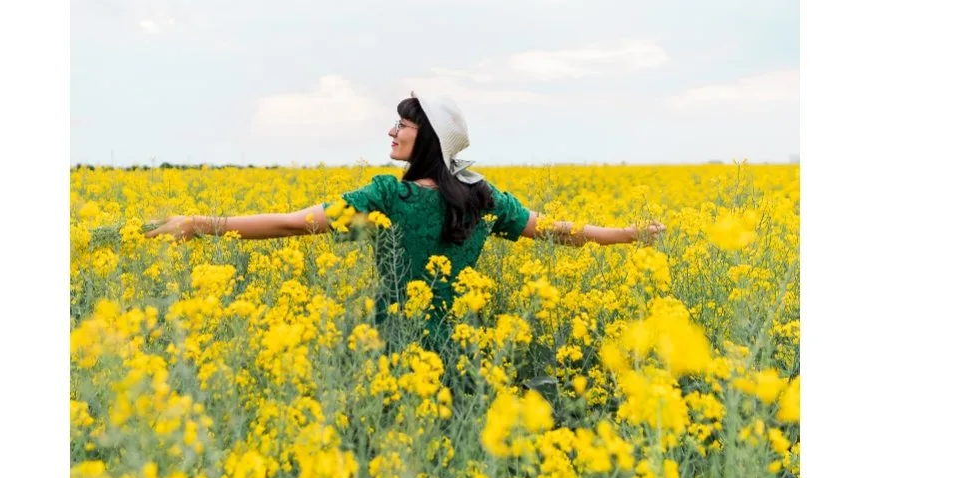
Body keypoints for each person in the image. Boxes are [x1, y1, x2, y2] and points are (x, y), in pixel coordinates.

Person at [146, 92, 663, 357]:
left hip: (391, 346)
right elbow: (558, 231)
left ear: (429, 139)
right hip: (462, 350)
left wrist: (198, 224)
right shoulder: (484, 198)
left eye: (404, 125)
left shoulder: (388, 196)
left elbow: (292, 225)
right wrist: (627, 236)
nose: (392, 131)